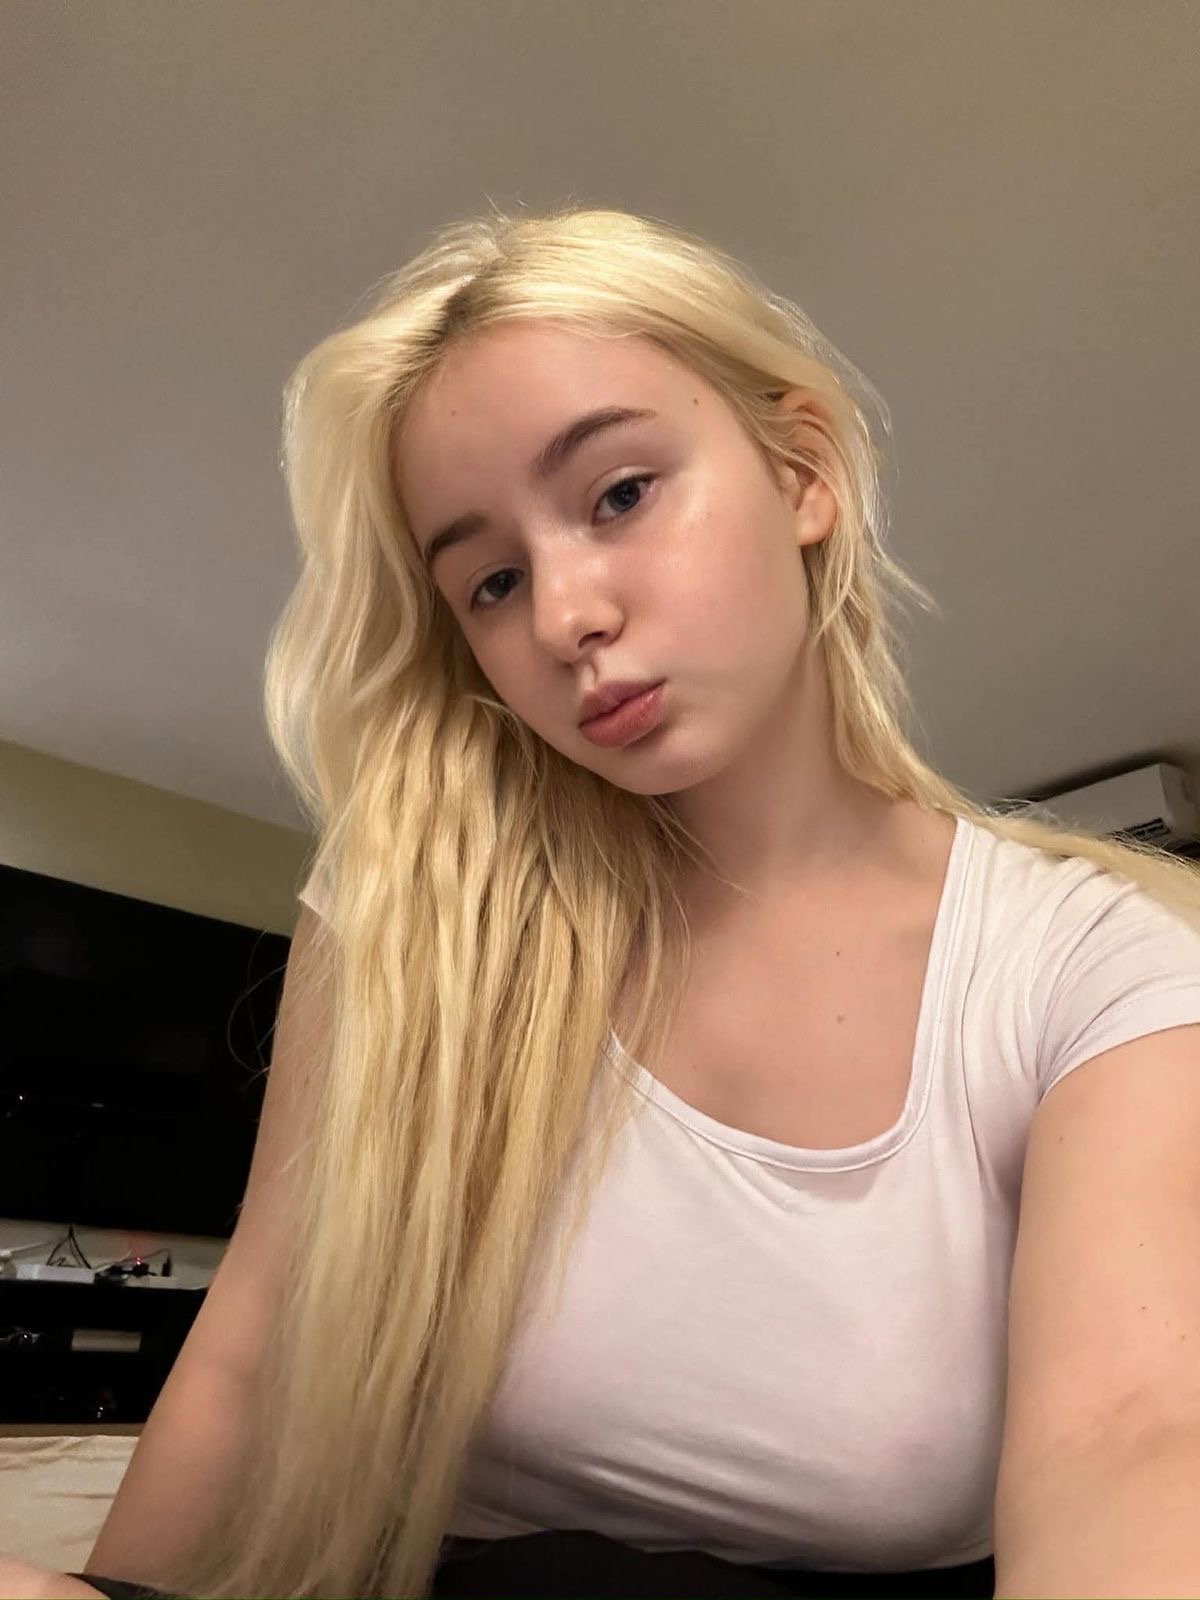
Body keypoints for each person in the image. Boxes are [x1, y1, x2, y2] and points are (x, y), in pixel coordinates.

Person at [7, 205, 1200, 1599]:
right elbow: (259, 1339)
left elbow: (1138, 1436)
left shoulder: (1096, 965)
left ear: (802, 472)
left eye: (621, 494)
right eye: (492, 582)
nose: (563, 614)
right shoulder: (424, 902)